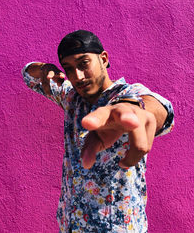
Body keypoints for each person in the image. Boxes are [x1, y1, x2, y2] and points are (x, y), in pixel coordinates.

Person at [22, 30, 174, 233]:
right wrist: (43, 69)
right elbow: (27, 75)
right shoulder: (71, 98)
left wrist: (134, 110)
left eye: (84, 64)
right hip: (71, 226)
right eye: (69, 69)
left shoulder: (128, 94)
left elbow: (158, 108)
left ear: (103, 59)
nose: (78, 76)